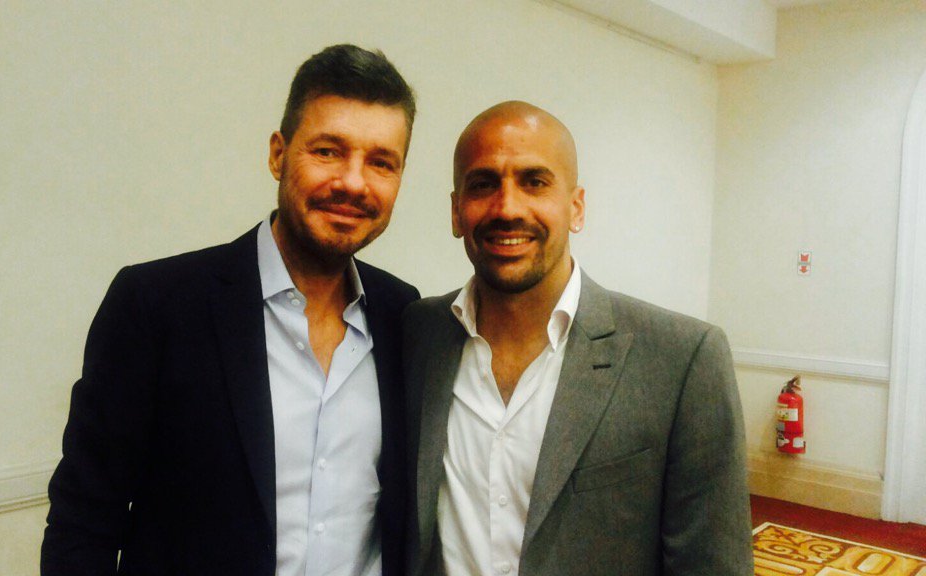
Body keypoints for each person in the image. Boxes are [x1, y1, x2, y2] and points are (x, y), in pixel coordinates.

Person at [41, 44, 419, 576]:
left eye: (381, 162)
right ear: (278, 154)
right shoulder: (156, 304)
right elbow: (83, 520)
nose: (353, 182)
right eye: (328, 151)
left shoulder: (405, 316)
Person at [403, 101, 753, 575]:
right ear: (455, 212)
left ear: (576, 207)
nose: (507, 208)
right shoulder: (416, 334)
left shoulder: (683, 359)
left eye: (534, 182)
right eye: (483, 184)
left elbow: (712, 564)